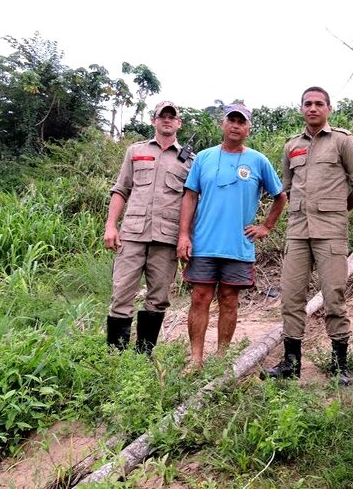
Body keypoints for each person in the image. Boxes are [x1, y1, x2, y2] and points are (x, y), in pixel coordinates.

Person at [261, 87, 353, 386]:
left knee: (334, 297)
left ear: (329, 108)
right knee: (291, 298)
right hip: (297, 232)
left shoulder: (342, 141)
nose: (312, 108)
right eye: (307, 104)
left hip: (330, 232)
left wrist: (338, 210)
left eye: (318, 104)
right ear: (301, 109)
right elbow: (286, 188)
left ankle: (339, 366)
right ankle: (291, 364)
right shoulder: (291, 146)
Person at [178, 103, 286, 370]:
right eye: (231, 120)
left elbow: (280, 196)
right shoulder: (203, 158)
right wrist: (184, 235)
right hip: (203, 243)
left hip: (238, 246)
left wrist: (266, 227)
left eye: (242, 121)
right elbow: (190, 196)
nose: (236, 125)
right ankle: (196, 359)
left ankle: (221, 359)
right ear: (222, 124)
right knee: (199, 298)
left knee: (229, 299)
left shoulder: (258, 161)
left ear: (248, 128)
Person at [104, 100, 193, 355]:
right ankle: (115, 357)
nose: (166, 120)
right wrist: (111, 226)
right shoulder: (135, 151)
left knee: (158, 299)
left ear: (178, 123)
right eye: (161, 116)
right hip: (132, 235)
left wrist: (187, 238)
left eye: (171, 117)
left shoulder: (188, 160)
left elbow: (191, 202)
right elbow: (121, 189)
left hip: (167, 240)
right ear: (153, 120)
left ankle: (143, 356)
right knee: (121, 295)